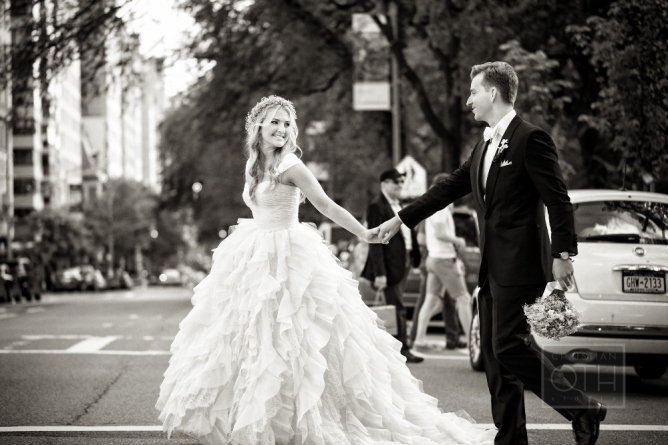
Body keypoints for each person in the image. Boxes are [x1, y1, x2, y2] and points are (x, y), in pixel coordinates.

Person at [156, 95, 495, 444]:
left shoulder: (292, 166)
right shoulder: (254, 165)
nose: (281, 129)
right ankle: (256, 415)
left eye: (287, 123)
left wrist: (363, 233)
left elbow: (326, 205)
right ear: (258, 126)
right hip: (255, 254)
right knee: (255, 338)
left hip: (289, 256)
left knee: (295, 340)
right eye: (274, 121)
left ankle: (301, 418)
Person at [376, 62, 606, 445]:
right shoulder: (484, 144)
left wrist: (564, 252)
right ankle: (511, 437)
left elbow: (558, 200)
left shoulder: (530, 139)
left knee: (508, 346)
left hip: (522, 264)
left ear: (493, 94)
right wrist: (402, 218)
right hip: (491, 268)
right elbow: (449, 187)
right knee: (497, 361)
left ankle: (582, 409)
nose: (468, 101)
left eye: (473, 92)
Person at [361, 168, 423, 363]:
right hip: (389, 265)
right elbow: (375, 243)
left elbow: (408, 232)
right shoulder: (376, 206)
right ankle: (401, 349)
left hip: (403, 261)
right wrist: (380, 273)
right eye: (396, 182)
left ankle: (397, 348)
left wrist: (414, 257)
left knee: (397, 306)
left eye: (401, 182)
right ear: (384, 184)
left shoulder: (399, 204)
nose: (399, 186)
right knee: (397, 307)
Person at [412, 173, 472, 352]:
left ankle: (420, 341)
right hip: (443, 259)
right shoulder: (441, 206)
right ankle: (472, 343)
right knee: (463, 299)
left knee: (431, 301)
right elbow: (439, 233)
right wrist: (457, 240)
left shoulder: (435, 205)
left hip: (434, 258)